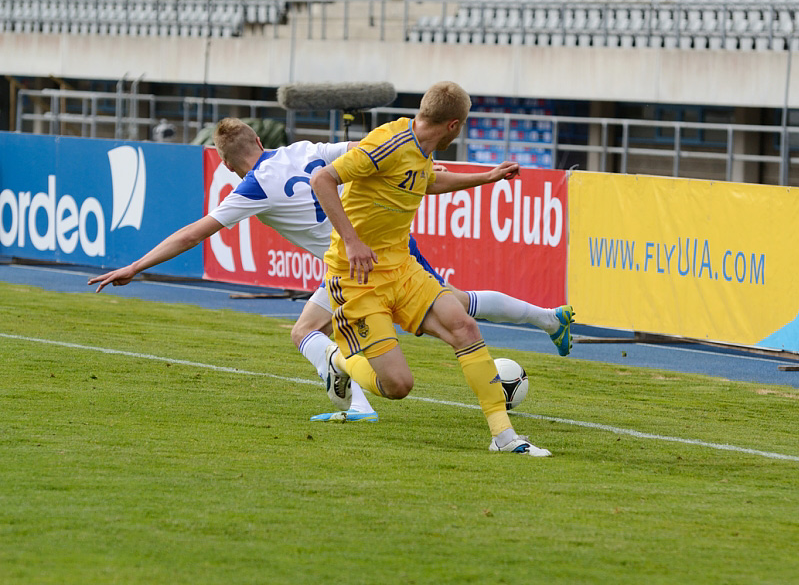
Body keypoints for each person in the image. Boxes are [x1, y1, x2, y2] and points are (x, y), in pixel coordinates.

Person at [88, 117, 574, 426]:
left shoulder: (252, 188)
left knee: (456, 310)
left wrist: (136, 265)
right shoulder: (305, 150)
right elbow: (372, 153)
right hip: (355, 262)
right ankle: (358, 403)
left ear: (228, 164)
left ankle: (549, 319)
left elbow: (194, 233)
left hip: (365, 264)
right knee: (306, 329)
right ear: (259, 139)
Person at [310, 81, 552, 456]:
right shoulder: (387, 143)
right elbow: (322, 178)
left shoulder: (420, 148)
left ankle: (504, 437)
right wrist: (353, 241)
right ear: (453, 125)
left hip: (401, 269)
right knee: (397, 386)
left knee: (464, 326)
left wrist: (485, 177)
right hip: (357, 278)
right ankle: (338, 359)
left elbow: (428, 180)